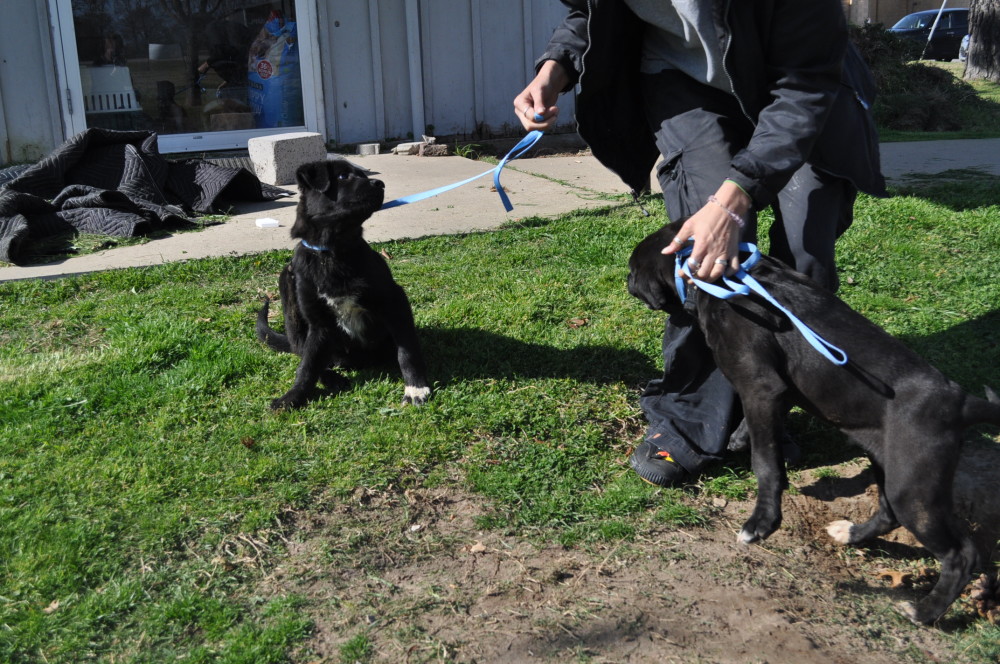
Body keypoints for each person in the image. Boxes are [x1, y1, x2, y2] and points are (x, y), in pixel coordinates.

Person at [513, 0, 887, 486]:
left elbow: (804, 88)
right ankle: (691, 418)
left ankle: (773, 409)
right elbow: (591, 11)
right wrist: (554, 69)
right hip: (681, 80)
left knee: (805, 254)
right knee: (704, 251)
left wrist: (737, 197)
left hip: (799, 84)